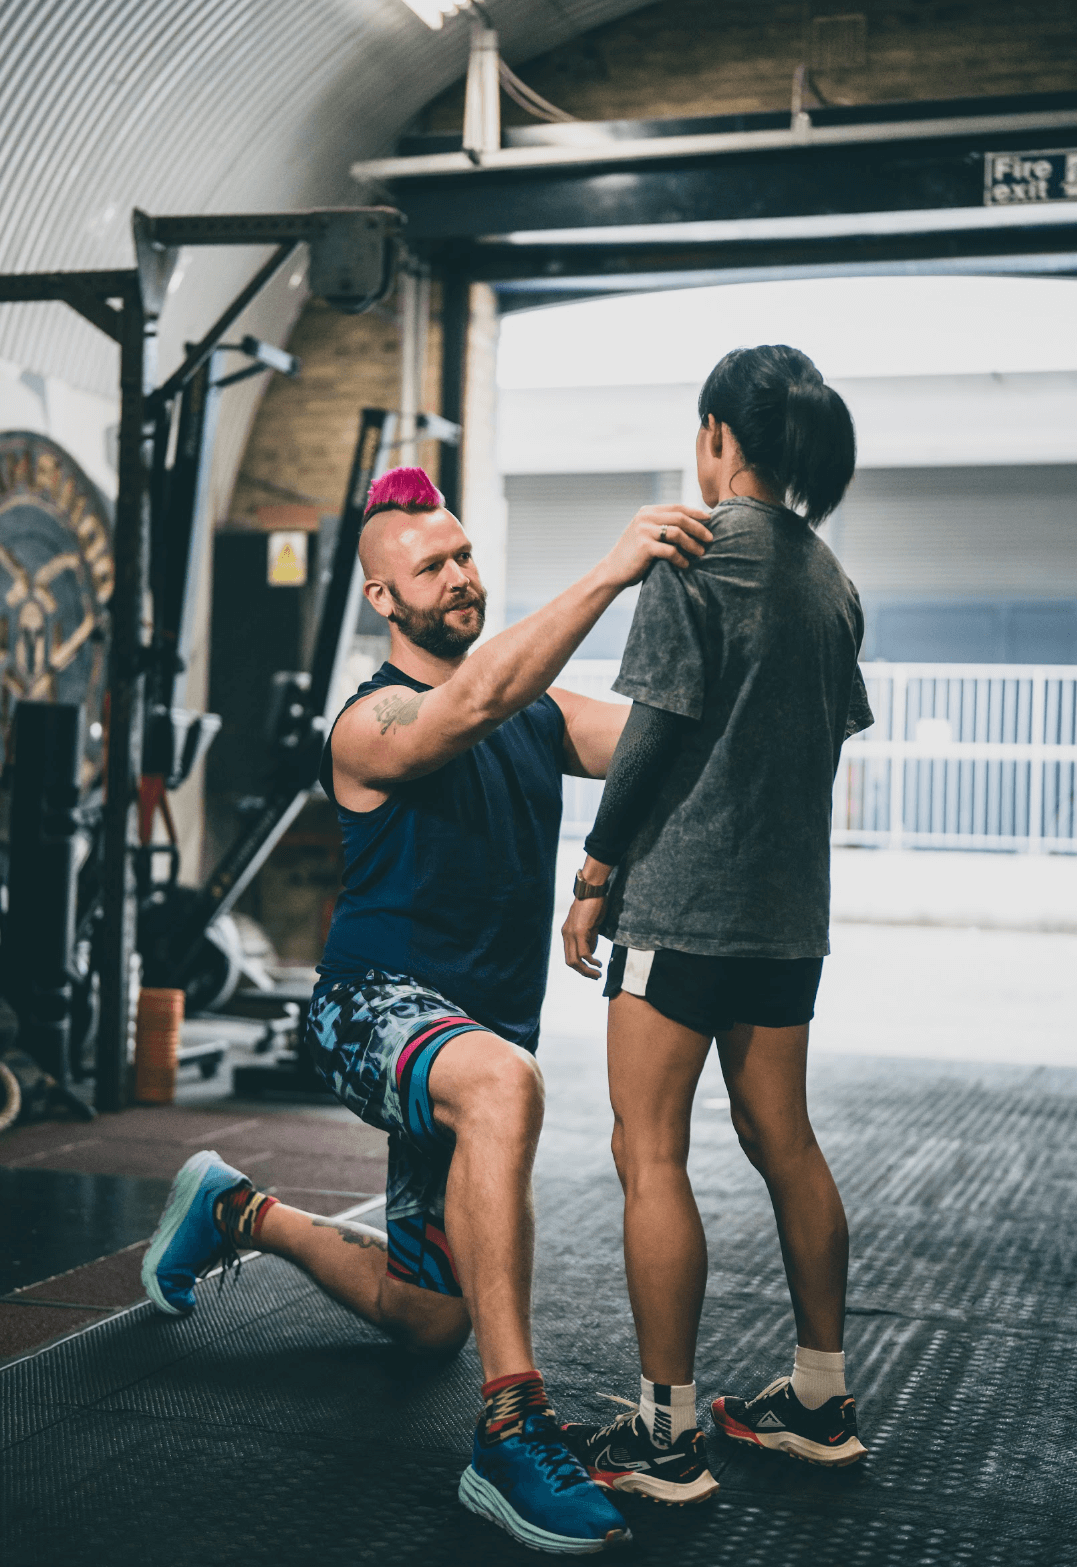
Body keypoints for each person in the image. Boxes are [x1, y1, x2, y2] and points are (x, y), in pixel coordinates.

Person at [141, 464, 714, 1554]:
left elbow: (655, 741)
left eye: (462, 556)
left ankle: (236, 1211)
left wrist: (736, 616)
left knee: (428, 1318)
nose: (457, 576)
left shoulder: (535, 712)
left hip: (474, 1041)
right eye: (429, 567)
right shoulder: (373, 719)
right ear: (381, 597)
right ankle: (510, 1432)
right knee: (503, 1080)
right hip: (373, 1008)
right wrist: (612, 568)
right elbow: (471, 703)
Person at [559, 345, 874, 1504]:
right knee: (782, 1138)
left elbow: (652, 735)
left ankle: (666, 1434)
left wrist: (595, 867)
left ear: (717, 439)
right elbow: (823, 737)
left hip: (681, 906)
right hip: (789, 919)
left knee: (649, 1151)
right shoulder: (832, 579)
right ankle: (821, 1398)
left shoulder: (697, 555)